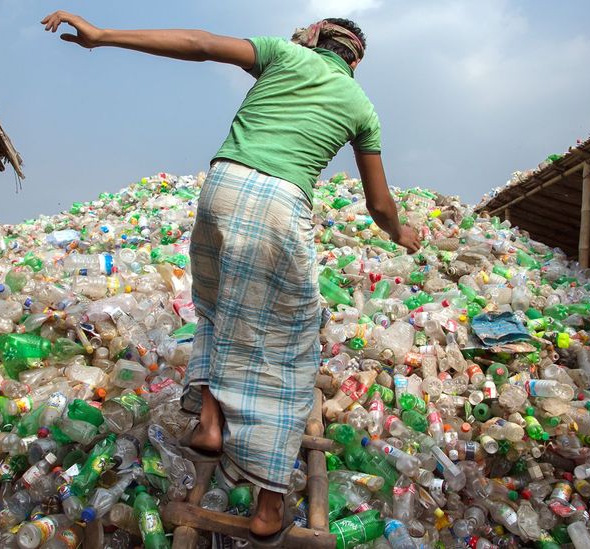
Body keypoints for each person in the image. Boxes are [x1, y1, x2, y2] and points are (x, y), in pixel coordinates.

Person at [41, 11, 421, 543]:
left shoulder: (283, 56)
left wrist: (103, 36)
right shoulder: (362, 106)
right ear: (355, 60)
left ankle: (213, 424)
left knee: (219, 309)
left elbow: (198, 42)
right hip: (281, 206)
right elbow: (379, 204)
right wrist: (400, 233)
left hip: (221, 186)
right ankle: (269, 506)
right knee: (290, 346)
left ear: (312, 40)